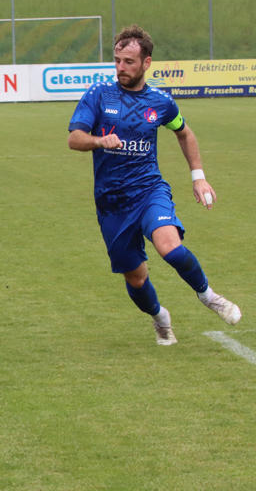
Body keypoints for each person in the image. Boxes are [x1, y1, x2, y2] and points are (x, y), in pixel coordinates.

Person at [68, 24, 241, 346]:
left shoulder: (160, 102)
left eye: (129, 61)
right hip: (111, 202)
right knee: (136, 278)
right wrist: (98, 141)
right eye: (117, 60)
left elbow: (184, 133)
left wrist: (198, 176)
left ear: (146, 62)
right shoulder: (99, 94)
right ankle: (160, 318)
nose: (121, 67)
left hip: (149, 190)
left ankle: (209, 297)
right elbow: (74, 138)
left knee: (169, 247)